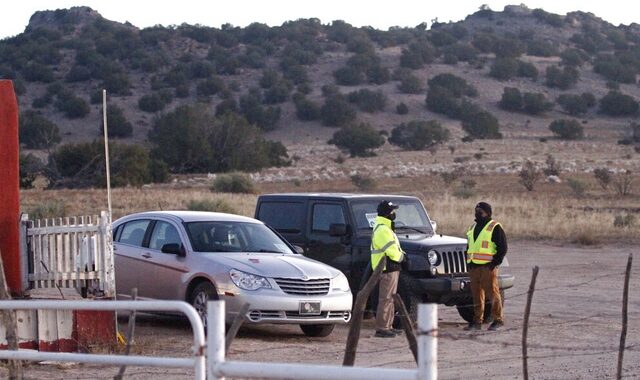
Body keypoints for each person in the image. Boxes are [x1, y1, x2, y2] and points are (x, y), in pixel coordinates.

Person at [464, 201, 507, 331]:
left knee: (492, 294)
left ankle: (498, 320)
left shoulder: (495, 227)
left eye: (480, 211)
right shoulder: (472, 228)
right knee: (476, 295)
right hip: (474, 267)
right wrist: (469, 263)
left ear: (487, 213)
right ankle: (477, 321)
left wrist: (494, 263)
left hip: (488, 267)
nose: (477, 213)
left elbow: (502, 248)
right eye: (476, 210)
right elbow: (470, 246)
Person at [370, 200, 405, 338]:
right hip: (386, 268)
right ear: (386, 213)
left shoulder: (385, 227)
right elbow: (391, 250)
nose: (394, 214)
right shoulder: (383, 229)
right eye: (392, 211)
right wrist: (402, 257)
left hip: (390, 267)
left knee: (390, 298)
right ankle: (382, 328)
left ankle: (388, 326)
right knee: (385, 299)